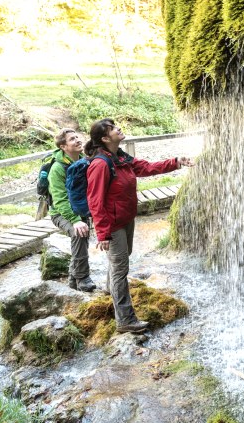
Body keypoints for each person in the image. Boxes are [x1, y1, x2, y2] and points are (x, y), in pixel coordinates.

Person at [85, 118, 193, 333]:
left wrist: (176, 161)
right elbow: (95, 201)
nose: (119, 128)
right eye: (114, 128)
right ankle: (125, 320)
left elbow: (146, 168)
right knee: (120, 269)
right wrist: (103, 233)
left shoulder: (120, 157)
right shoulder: (100, 164)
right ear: (105, 138)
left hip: (126, 218)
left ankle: (110, 291)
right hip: (113, 224)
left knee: (122, 261)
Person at [48, 128, 96, 292]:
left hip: (80, 209)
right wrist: (75, 220)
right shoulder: (58, 168)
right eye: (72, 139)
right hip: (60, 213)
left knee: (81, 236)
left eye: (77, 137)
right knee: (79, 233)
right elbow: (60, 200)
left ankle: (72, 282)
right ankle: (82, 278)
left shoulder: (84, 160)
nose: (77, 140)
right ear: (63, 146)